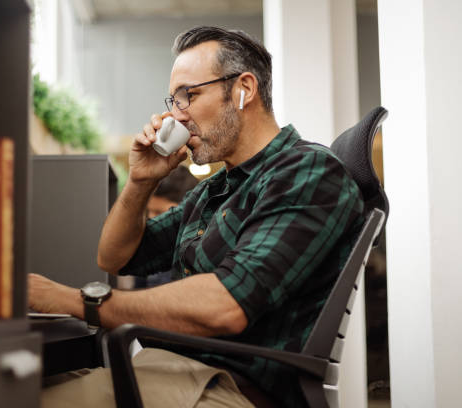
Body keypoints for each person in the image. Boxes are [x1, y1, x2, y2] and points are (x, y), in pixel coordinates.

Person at [29, 25, 364, 407]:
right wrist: (140, 181)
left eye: (187, 96)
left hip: (229, 388)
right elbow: (114, 258)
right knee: (18, 381)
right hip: (171, 370)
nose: (175, 117)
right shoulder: (216, 189)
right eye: (172, 101)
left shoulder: (306, 172)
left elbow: (226, 305)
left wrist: (77, 301)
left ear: (244, 90)